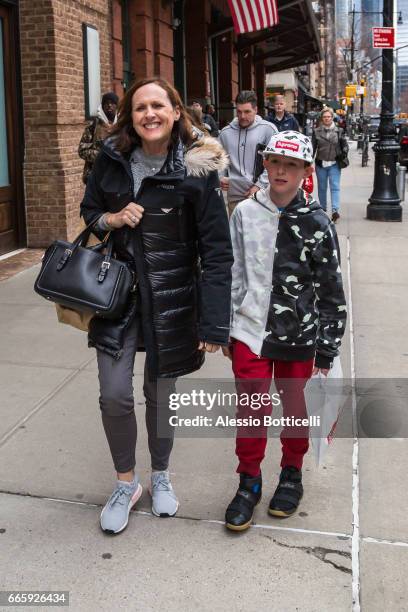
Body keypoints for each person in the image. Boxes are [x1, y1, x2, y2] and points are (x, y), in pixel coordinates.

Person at [81, 77, 233, 535]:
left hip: (172, 297)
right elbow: (90, 211)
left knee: (161, 395)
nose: (149, 114)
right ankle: (126, 484)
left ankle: (161, 473)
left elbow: (217, 252)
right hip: (118, 296)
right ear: (130, 114)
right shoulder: (110, 160)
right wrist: (112, 217)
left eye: (158, 106)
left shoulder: (197, 170)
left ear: (175, 112)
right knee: (113, 394)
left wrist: (213, 322)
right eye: (140, 106)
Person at [223, 131, 347, 531]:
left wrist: (326, 351)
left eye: (291, 165)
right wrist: (227, 325)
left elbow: (331, 292)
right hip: (250, 331)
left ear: (306, 171)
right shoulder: (243, 213)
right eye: (275, 161)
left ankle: (291, 473)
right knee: (251, 411)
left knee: (295, 413)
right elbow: (233, 272)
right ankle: (249, 480)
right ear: (265, 163)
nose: (281, 170)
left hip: (299, 338)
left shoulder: (317, 223)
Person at [219, 90, 277, 216]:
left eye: (247, 112)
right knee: (236, 235)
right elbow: (219, 162)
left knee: (260, 235)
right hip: (234, 198)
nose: (242, 116)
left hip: (262, 196)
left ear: (255, 110)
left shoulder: (269, 130)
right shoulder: (225, 133)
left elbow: (274, 162)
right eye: (239, 112)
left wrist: (259, 186)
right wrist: (221, 178)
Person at [312, 107, 349, 223]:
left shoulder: (339, 131)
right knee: (322, 188)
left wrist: (343, 153)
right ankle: (323, 209)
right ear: (322, 118)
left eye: (329, 116)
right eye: (324, 117)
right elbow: (312, 148)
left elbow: (345, 145)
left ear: (332, 118)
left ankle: (335, 211)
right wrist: (307, 161)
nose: (327, 118)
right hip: (320, 164)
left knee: (335, 187)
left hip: (334, 164)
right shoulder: (316, 131)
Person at [78, 92, 119, 184]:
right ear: (102, 106)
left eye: (112, 103)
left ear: (117, 106)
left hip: (118, 178)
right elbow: (82, 150)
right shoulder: (94, 126)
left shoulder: (123, 126)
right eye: (106, 103)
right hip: (96, 178)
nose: (109, 105)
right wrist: (102, 156)